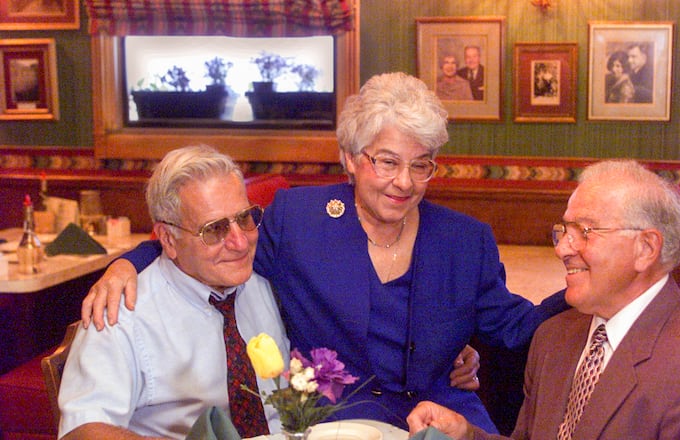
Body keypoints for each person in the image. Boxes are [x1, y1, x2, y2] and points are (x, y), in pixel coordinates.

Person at [82, 72, 568, 433]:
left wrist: (594, 286)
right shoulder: (299, 219)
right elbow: (214, 245)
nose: (405, 182)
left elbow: (517, 328)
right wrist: (128, 263)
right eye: (387, 162)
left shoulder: (465, 240)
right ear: (351, 160)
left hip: (441, 418)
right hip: (338, 423)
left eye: (422, 165)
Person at [406, 160, 680, 440]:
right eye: (563, 231)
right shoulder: (555, 338)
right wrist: (466, 435)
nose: (563, 249)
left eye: (584, 232)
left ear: (646, 248)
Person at [59, 146, 290, 438]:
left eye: (245, 218)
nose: (240, 243)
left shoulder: (265, 280)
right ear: (168, 239)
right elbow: (82, 430)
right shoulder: (123, 312)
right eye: (215, 229)